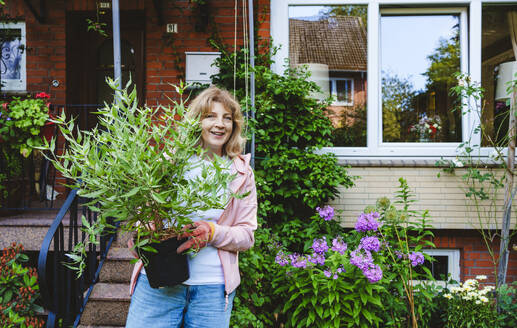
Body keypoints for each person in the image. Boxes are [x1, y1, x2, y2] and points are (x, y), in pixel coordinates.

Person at [125, 87, 257, 328]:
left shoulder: (240, 172)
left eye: (227, 118)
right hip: (159, 284)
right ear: (197, 121)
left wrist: (213, 232)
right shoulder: (168, 164)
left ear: (234, 125)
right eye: (211, 116)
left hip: (212, 289)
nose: (220, 124)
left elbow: (247, 235)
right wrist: (141, 237)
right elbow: (142, 218)